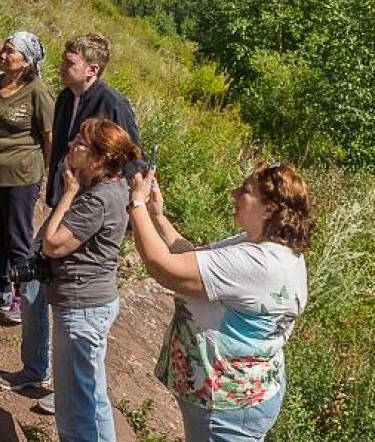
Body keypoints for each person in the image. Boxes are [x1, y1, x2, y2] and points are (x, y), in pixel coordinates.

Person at [127, 162, 313, 442]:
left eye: (245, 191)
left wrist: (137, 204)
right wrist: (158, 216)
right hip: (245, 392)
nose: (233, 194)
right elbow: (194, 260)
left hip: (226, 403)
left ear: (269, 209)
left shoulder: (256, 263)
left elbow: (164, 268)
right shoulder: (270, 247)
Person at [1, 33, 141, 398]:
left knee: (77, 301)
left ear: (92, 69)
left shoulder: (113, 104)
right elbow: (57, 151)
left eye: (70, 63)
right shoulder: (65, 98)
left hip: (95, 212)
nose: (62, 68)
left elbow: (133, 160)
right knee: (32, 281)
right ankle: (36, 370)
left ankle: (67, 388)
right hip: (66, 202)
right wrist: (53, 194)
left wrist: (125, 216)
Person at [41, 118, 140, 442]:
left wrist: (68, 193)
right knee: (92, 397)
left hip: (82, 309)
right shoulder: (111, 187)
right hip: (92, 303)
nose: (71, 145)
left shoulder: (97, 198)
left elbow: (53, 243)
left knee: (75, 408)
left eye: (80, 143)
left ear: (99, 159)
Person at [0, 31, 53, 325]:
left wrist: (48, 174)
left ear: (27, 60)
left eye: (11, 51)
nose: (4, 55)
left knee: (17, 237)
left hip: (22, 174)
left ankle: (23, 296)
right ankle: (1, 288)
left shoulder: (37, 91)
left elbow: (49, 137)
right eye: (3, 50)